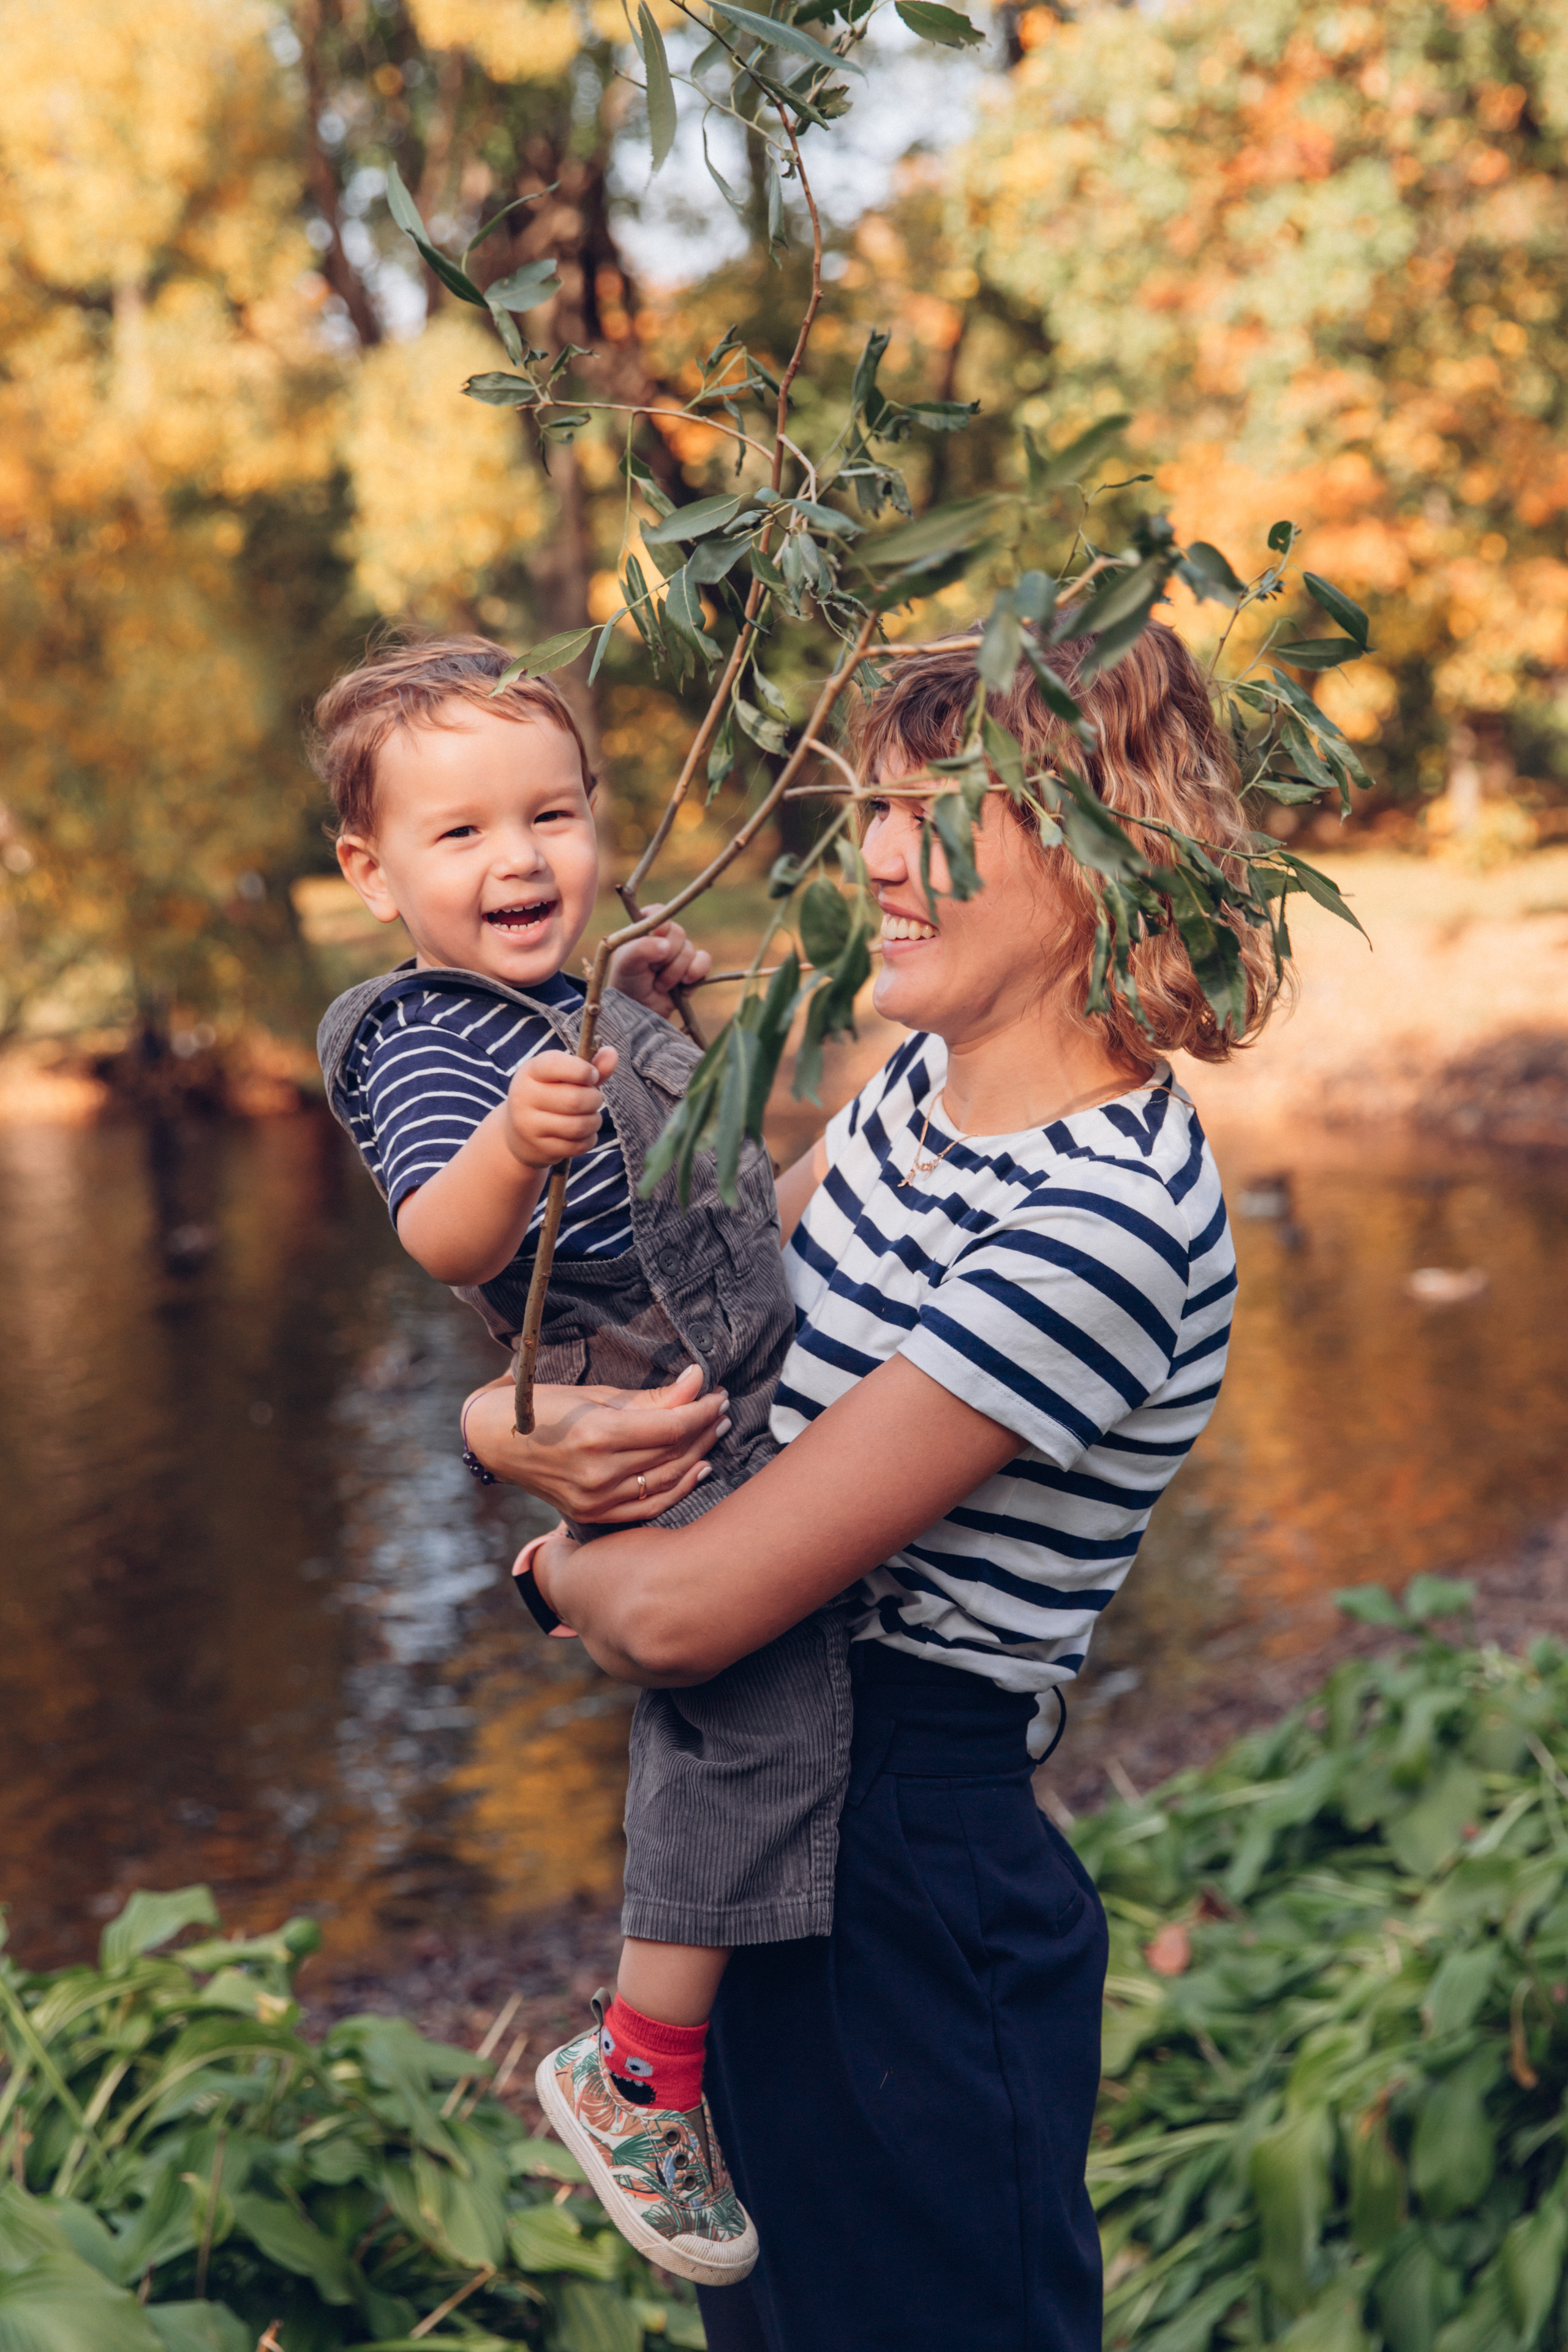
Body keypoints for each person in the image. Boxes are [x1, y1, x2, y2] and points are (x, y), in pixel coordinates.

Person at [462, 620, 1284, 2351]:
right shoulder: (916, 1082)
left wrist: (550, 1576)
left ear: (1098, 851)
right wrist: (499, 1430)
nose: (876, 859)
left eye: (936, 815)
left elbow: (686, 1610)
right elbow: (704, 1340)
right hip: (757, 1844)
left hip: (904, 1882)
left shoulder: (1110, 1218)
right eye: (875, 811)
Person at [311, 636, 861, 2288]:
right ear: (373, 873)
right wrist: (509, 1143)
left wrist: (648, 1012)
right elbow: (436, 1234)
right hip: (642, 1382)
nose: (520, 858)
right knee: (752, 1717)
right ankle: (636, 2065)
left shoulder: (575, 996)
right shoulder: (429, 1040)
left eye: (551, 814)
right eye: (463, 834)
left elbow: (705, 1192)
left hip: (738, 1324)